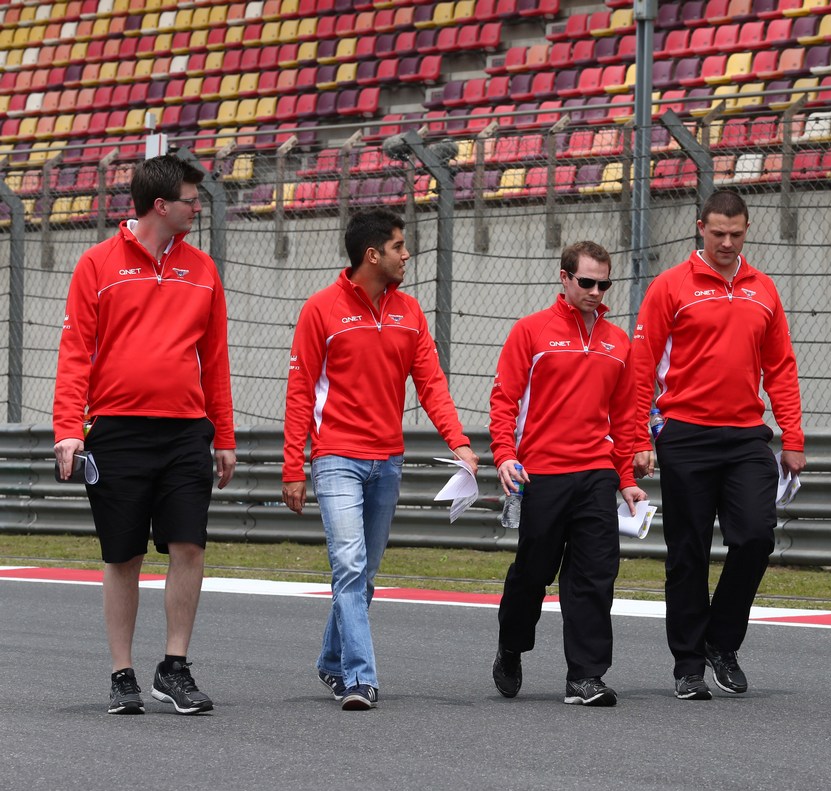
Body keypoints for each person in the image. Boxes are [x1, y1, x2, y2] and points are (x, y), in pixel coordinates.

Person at [53, 154, 237, 716]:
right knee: (124, 555)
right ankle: (122, 673)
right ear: (161, 204)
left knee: (189, 546)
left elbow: (216, 358)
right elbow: (76, 352)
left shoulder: (203, 269)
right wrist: (67, 428)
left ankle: (174, 668)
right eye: (190, 199)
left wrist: (223, 435)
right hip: (117, 432)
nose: (196, 208)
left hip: (185, 433)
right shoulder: (97, 265)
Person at [282, 210, 479, 711]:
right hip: (336, 460)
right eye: (398, 246)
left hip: (387, 462)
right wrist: (292, 469)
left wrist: (458, 442)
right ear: (373, 255)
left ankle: (331, 660)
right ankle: (360, 678)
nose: (407, 254)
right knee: (348, 565)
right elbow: (300, 395)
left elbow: (431, 383)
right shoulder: (319, 311)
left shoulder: (410, 312)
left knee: (362, 575)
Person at [630, 188, 806, 700]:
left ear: (746, 230)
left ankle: (721, 643)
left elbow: (782, 368)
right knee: (687, 552)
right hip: (684, 434)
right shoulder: (670, 286)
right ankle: (688, 664)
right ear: (699, 227)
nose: (727, 242)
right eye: (718, 233)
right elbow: (642, 367)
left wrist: (792, 436)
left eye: (737, 233)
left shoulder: (763, 289)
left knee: (754, 536)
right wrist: (639, 434)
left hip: (747, 435)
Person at [489, 241, 646, 707]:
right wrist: (503, 454)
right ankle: (511, 646)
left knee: (596, 575)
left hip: (596, 473)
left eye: (604, 284)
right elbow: (504, 400)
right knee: (533, 574)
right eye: (587, 282)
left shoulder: (620, 343)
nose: (596, 291)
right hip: (541, 474)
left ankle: (585, 676)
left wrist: (627, 478)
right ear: (564, 278)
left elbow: (625, 418)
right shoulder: (531, 332)